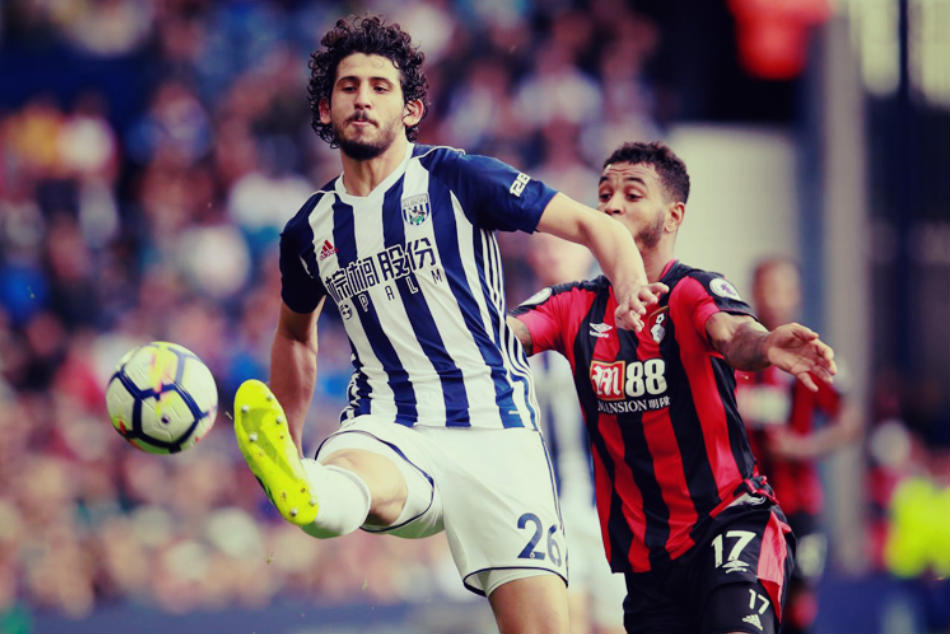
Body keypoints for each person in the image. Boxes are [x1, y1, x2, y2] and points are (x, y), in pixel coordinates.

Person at [230, 16, 665, 634]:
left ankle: (315, 489)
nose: (362, 99)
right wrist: (289, 439)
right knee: (350, 474)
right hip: (389, 422)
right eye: (348, 86)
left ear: (410, 110)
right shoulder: (309, 230)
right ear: (325, 110)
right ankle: (307, 485)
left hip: (496, 430)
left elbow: (596, 226)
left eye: (380, 87)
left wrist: (628, 285)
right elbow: (294, 335)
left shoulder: (459, 177)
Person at [509, 141, 838, 634]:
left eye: (632, 194)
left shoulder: (691, 290)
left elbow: (733, 335)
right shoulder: (570, 305)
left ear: (673, 216)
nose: (611, 205)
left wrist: (766, 343)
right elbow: (498, 337)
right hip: (648, 559)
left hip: (729, 523)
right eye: (604, 194)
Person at [735, 257, 861, 634]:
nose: (776, 297)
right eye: (768, 287)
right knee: (747, 605)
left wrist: (800, 447)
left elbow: (850, 423)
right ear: (754, 292)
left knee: (799, 606)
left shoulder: (815, 354)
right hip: (742, 507)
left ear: (798, 294)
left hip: (799, 506)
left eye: (784, 288)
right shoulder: (733, 355)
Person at [525, 232, 628, 634]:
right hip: (550, 509)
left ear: (588, 252)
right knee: (565, 622)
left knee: (617, 623)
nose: (553, 254)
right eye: (544, 245)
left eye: (562, 244)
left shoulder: (615, 321)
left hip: (612, 507)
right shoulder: (519, 327)